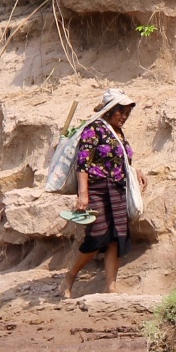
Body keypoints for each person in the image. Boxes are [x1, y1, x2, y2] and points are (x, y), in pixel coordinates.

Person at [62, 89, 139, 298]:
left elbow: (120, 160)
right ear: (109, 110)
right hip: (97, 189)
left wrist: (136, 172)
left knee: (116, 238)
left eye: (126, 113)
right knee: (97, 237)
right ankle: (70, 276)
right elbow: (82, 164)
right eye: (119, 111)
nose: (123, 116)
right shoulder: (94, 129)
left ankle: (110, 286)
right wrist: (83, 194)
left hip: (117, 189)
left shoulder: (119, 133)